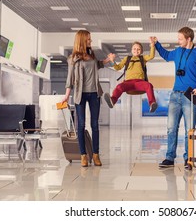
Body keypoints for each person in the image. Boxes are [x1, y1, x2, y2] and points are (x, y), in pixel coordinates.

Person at [150, 27, 196, 169]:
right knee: (171, 128)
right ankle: (170, 158)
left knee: (189, 130)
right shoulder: (178, 52)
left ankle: (188, 158)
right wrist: (157, 44)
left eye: (180, 39)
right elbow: (166, 55)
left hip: (190, 95)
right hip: (175, 95)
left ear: (188, 39)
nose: (178, 41)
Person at [62, 30, 110, 167]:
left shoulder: (92, 55)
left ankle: (96, 155)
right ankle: (83, 155)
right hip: (80, 94)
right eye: (89, 39)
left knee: (95, 125)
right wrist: (66, 95)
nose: (91, 41)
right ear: (82, 41)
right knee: (81, 125)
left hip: (94, 93)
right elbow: (70, 78)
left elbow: (98, 65)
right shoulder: (73, 59)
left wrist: (107, 60)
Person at [104, 40, 158, 113]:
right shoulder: (127, 58)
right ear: (131, 50)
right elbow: (118, 67)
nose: (136, 50)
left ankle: (152, 103)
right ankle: (112, 101)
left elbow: (151, 56)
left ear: (141, 51)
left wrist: (152, 45)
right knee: (119, 86)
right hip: (128, 83)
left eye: (138, 49)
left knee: (149, 85)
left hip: (140, 82)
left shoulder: (143, 58)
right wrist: (112, 61)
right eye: (134, 49)